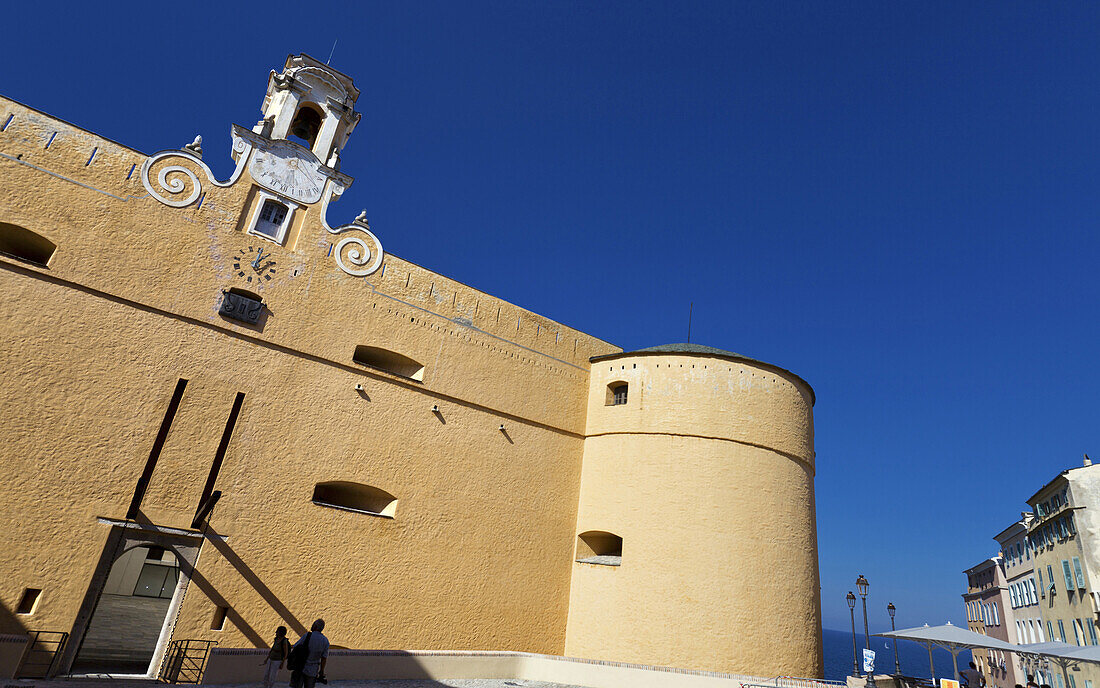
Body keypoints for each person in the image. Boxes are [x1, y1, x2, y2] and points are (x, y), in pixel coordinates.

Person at [289, 618, 330, 688]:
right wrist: (321, 671)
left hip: (301, 667)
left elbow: (296, 646)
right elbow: (324, 658)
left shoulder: (307, 635)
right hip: (313, 669)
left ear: (315, 626)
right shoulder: (325, 640)